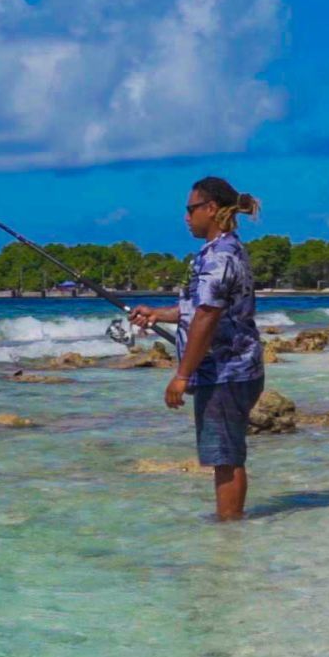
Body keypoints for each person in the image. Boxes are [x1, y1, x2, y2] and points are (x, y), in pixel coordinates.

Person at [130, 178, 264, 520]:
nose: (186, 217)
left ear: (211, 209)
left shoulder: (220, 256)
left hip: (226, 372)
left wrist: (182, 375)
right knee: (223, 455)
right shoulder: (219, 251)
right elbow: (198, 309)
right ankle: (230, 527)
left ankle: (230, 534)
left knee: (225, 457)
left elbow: (207, 316)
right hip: (231, 369)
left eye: (190, 209)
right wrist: (158, 314)